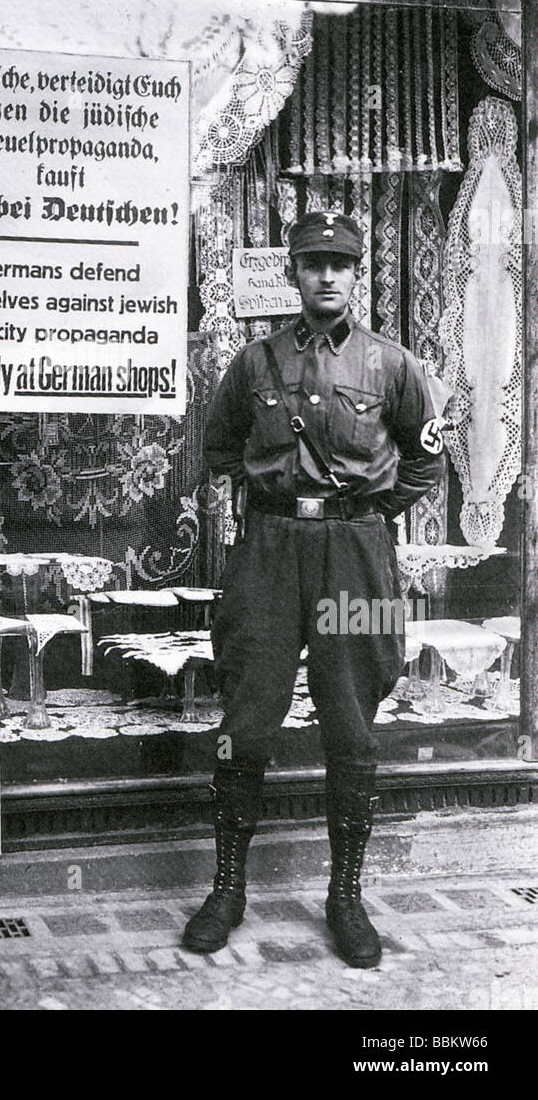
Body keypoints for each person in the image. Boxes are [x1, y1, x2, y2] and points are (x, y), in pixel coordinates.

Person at [182, 210, 447, 967]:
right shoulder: (253, 362)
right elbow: (219, 447)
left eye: (339, 263)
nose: (325, 275)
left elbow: (425, 463)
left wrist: (364, 517)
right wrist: (271, 504)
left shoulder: (391, 365)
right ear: (291, 274)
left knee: (350, 718)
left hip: (354, 557)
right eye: (311, 263)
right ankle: (227, 888)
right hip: (266, 553)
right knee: (247, 716)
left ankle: (346, 898)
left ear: (357, 273)